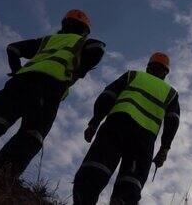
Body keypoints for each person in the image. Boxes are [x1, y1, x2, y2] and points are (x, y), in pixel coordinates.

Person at [0, 9, 105, 176]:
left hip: (19, 82)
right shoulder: (81, 42)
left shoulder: (47, 41)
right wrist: (79, 71)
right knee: (33, 133)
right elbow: (98, 48)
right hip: (49, 87)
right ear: (84, 30)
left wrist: (16, 71)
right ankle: (2, 170)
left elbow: (13, 49)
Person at [73, 52, 180, 205]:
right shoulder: (171, 93)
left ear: (148, 68)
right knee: (130, 185)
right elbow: (173, 121)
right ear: (165, 73)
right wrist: (164, 149)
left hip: (116, 127)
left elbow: (107, 96)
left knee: (94, 171)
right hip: (144, 140)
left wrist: (94, 122)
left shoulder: (133, 76)